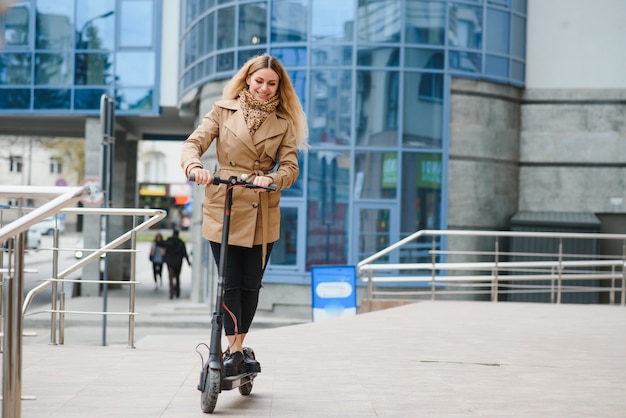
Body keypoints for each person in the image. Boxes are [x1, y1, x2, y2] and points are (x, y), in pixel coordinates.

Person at [180, 53, 308, 376]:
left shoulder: (283, 124)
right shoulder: (222, 112)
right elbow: (193, 144)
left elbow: (291, 168)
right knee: (228, 282)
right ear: (247, 80)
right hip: (223, 202)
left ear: (279, 87)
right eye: (259, 81)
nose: (265, 88)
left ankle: (237, 349)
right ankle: (234, 349)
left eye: (272, 83)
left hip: (261, 210)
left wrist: (273, 179)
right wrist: (195, 167)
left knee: (251, 284)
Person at [163, 229, 191, 300]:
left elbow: (164, 249)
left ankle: (171, 293)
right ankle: (177, 292)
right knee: (177, 277)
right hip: (178, 262)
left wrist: (164, 259)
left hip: (170, 262)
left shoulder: (168, 241)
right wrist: (188, 262)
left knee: (170, 278)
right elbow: (184, 253)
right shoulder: (181, 242)